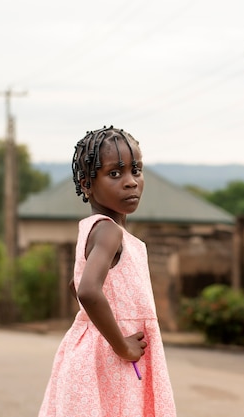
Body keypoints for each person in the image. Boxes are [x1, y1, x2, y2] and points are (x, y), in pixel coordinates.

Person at [39, 126, 177, 417]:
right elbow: (87, 291)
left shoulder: (98, 231)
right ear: (87, 184)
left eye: (136, 170)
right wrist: (122, 346)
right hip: (111, 360)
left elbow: (75, 284)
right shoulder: (108, 232)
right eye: (115, 173)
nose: (131, 182)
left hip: (98, 353)